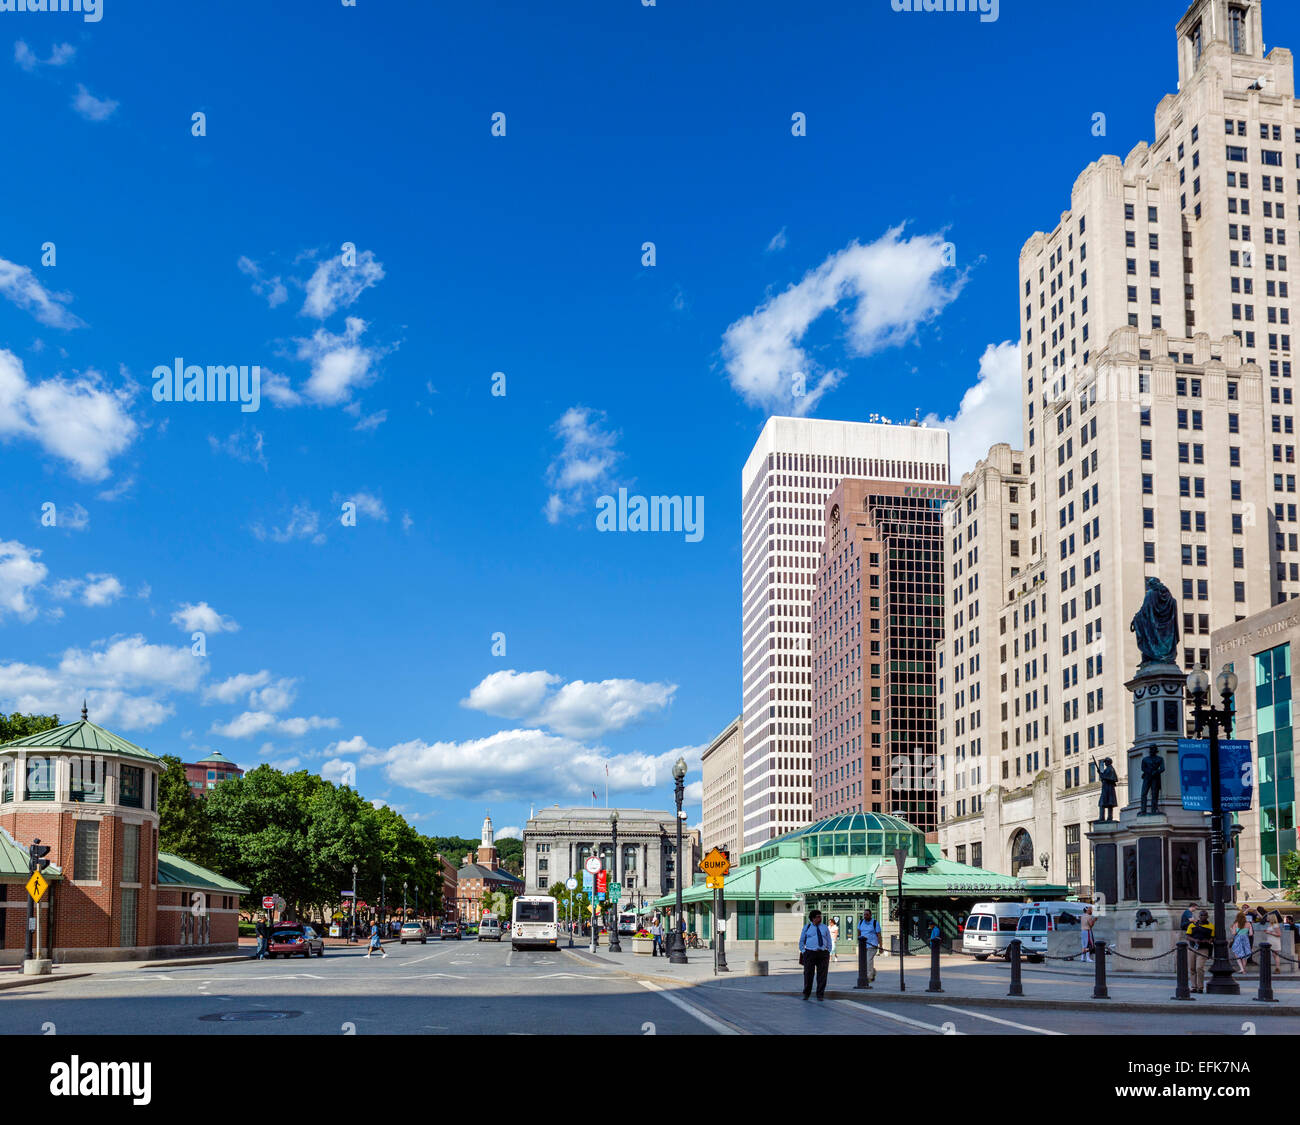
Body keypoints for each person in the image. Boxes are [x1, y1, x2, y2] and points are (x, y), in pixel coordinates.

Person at [799, 909, 832, 1001]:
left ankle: (820, 995)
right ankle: (806, 994)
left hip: (823, 953)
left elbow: (829, 940)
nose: (820, 918)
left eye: (820, 916)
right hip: (810, 953)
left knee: (822, 975)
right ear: (813, 918)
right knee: (808, 974)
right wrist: (803, 951)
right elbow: (802, 940)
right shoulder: (807, 927)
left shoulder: (825, 927)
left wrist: (828, 951)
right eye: (818, 917)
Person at [1186, 909, 1213, 993]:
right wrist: (1194, 940)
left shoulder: (1211, 926)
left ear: (1207, 916)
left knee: (1199, 967)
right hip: (1193, 948)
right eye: (1201, 915)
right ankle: (1194, 987)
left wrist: (1209, 941)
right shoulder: (1192, 925)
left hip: (1203, 949)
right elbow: (1187, 936)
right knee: (1192, 968)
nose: (1203, 917)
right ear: (1199, 916)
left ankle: (1200, 987)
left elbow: (1212, 937)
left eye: (1204, 915)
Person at [857, 909, 881, 982]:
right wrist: (859, 942)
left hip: (872, 945)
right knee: (865, 961)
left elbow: (879, 935)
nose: (865, 916)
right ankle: (873, 971)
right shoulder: (861, 922)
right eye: (864, 914)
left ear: (870, 915)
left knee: (868, 960)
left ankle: (869, 977)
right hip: (863, 946)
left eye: (867, 914)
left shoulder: (875, 923)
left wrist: (881, 946)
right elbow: (859, 932)